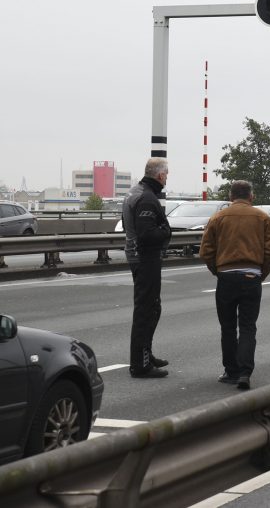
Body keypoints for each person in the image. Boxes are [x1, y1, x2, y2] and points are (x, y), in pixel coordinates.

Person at [199, 181, 270, 390]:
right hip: (251, 276)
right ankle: (245, 372)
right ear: (251, 196)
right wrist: (261, 273)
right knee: (247, 326)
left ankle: (231, 371)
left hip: (226, 277)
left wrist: (218, 271)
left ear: (231, 196)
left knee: (227, 327)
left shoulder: (218, 217)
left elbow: (206, 251)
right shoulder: (262, 217)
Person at [123, 157, 172, 378]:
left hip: (137, 256)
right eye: (167, 174)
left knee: (152, 307)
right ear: (160, 175)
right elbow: (147, 234)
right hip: (145, 258)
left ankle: (146, 354)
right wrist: (166, 231)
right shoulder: (147, 198)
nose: (167, 178)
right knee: (146, 309)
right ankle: (141, 364)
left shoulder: (135, 192)